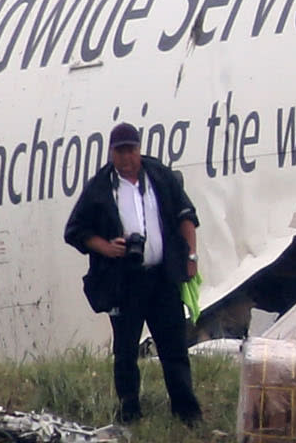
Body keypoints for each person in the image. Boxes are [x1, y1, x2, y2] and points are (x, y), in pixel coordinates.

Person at [63, 122, 203, 425]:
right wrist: (104, 247)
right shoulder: (100, 187)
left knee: (174, 346)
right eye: (120, 151)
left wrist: (190, 255)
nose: (126, 157)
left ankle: (187, 411)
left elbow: (186, 215)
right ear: (111, 153)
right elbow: (75, 231)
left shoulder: (159, 176)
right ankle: (129, 411)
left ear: (139, 149)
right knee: (126, 350)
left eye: (131, 150)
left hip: (162, 277)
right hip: (124, 281)